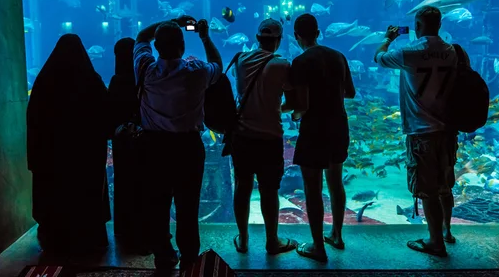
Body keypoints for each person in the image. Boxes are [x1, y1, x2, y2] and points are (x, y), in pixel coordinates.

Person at [374, 6, 466, 258]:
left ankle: (435, 242)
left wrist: (388, 38)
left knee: (428, 190)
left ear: (417, 24)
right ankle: (447, 231)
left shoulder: (409, 53)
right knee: (445, 184)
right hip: (448, 131)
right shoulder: (452, 51)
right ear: (439, 24)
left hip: (421, 131)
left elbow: (378, 58)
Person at [134, 15, 222, 271]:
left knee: (157, 204)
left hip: (154, 147)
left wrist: (172, 21)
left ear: (157, 47)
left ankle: (163, 255)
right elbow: (217, 63)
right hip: (187, 148)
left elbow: (141, 37)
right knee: (188, 205)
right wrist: (204, 36)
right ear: (183, 47)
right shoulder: (197, 72)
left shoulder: (145, 69)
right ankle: (189, 257)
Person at [27, 34, 111, 255]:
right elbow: (106, 115)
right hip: (86, 155)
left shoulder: (44, 81)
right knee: (85, 196)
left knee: (55, 196)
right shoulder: (92, 80)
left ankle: (55, 240)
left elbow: (33, 120)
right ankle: (88, 239)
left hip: (51, 156)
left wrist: (35, 157)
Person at [288, 14, 356, 263]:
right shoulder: (338, 56)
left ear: (297, 36)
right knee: (336, 182)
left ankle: (318, 246)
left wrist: (293, 112)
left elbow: (302, 104)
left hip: (315, 128)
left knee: (312, 188)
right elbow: (350, 92)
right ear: (318, 32)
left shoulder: (301, 61)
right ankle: (336, 235)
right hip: (339, 125)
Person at [229, 19, 298, 255]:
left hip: (242, 135)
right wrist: (278, 107)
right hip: (269, 137)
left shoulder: (240, 59)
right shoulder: (281, 64)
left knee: (242, 186)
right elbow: (292, 101)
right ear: (278, 41)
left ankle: (244, 238)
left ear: (257, 38)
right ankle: (271, 241)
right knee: (269, 190)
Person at [107, 38, 150, 252]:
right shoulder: (143, 77)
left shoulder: (116, 81)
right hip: (145, 142)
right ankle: (145, 230)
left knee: (123, 184)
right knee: (144, 185)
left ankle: (123, 230)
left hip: (121, 144)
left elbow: (108, 117)